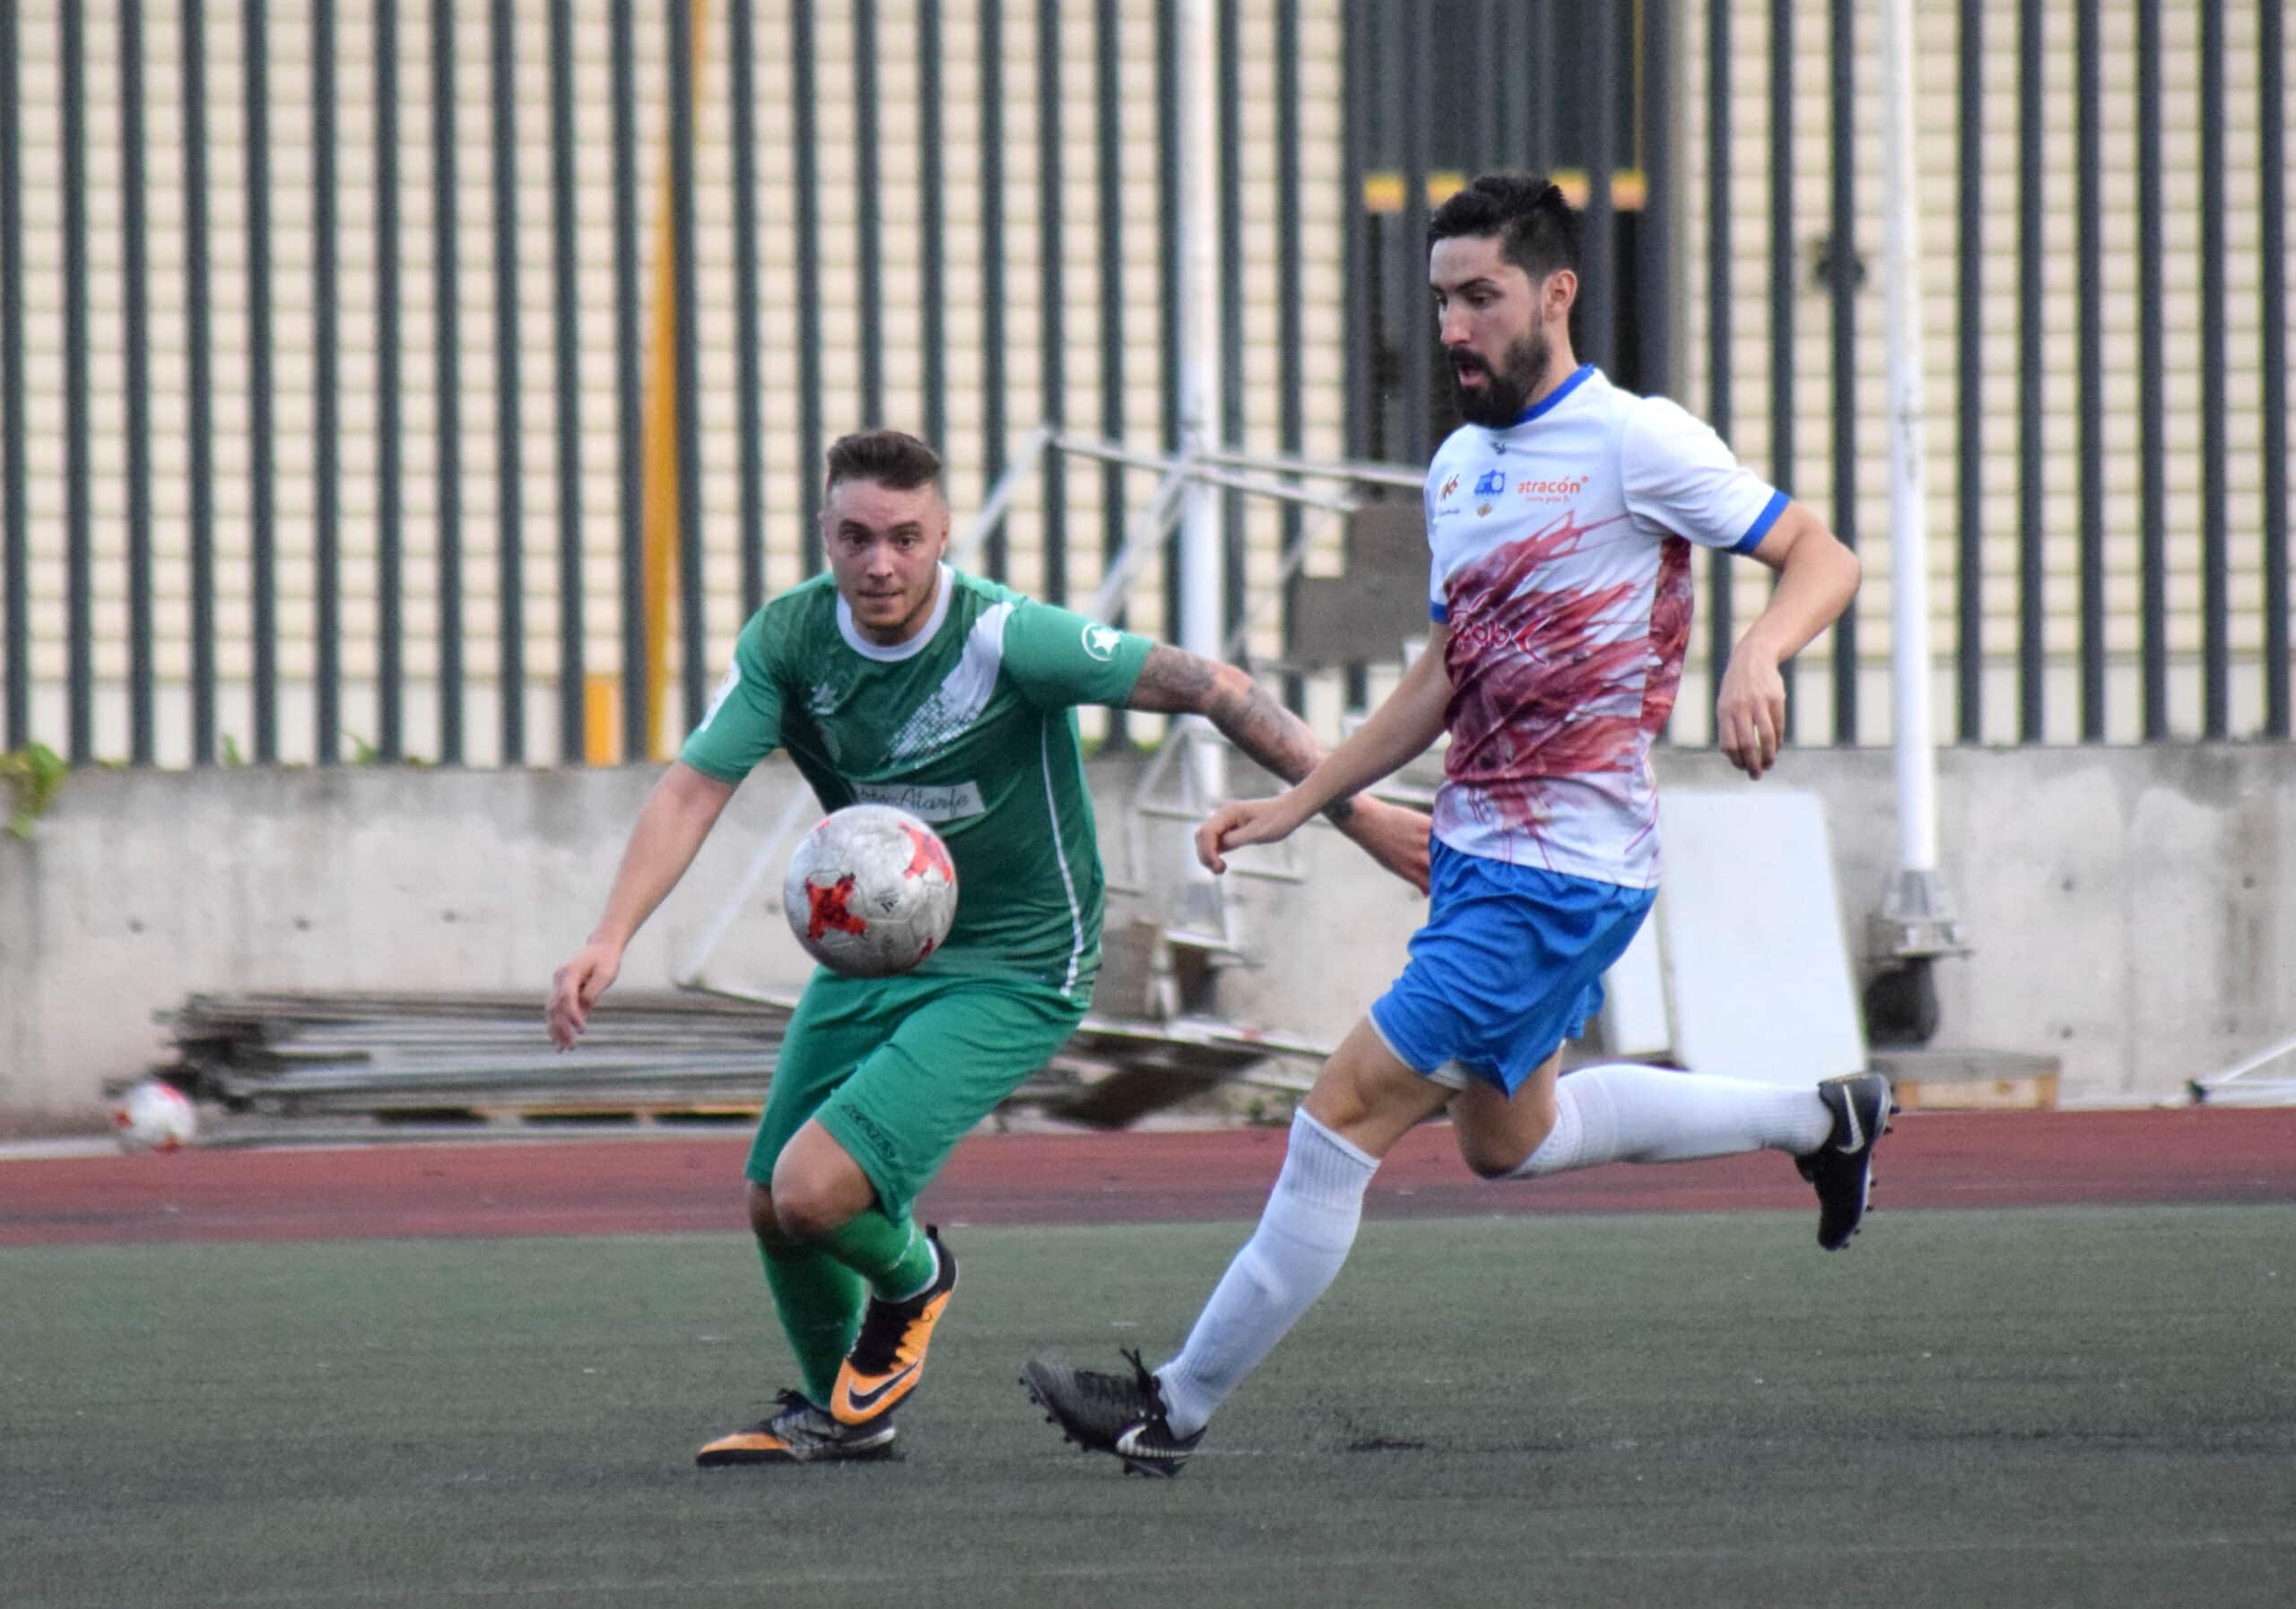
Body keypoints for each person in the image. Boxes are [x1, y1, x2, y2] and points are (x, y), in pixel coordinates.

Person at [1020, 174, 1883, 1477]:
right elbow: (1444, 673)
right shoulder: (1460, 467)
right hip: (1484, 855)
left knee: (1346, 1106)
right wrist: (1305, 802)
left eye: (1480, 297)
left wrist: (1759, 649)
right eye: (1439, 301)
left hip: (1562, 877)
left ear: (1556, 292)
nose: (1454, 328)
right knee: (1506, 1138)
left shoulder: (1637, 441)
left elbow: (1823, 553)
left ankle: (1172, 1407)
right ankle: (1827, 1118)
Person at [546, 428, 1430, 1466]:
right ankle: (847, 1413)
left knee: (814, 1189)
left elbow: (1216, 687)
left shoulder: (1007, 638)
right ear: (824, 534)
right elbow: (695, 786)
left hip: (1017, 965)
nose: (880, 563)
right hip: (879, 950)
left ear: (942, 536)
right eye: (856, 537)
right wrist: (610, 935)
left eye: (905, 539)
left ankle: (916, 1278)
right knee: (770, 1202)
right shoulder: (790, 641)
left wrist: (1358, 817)